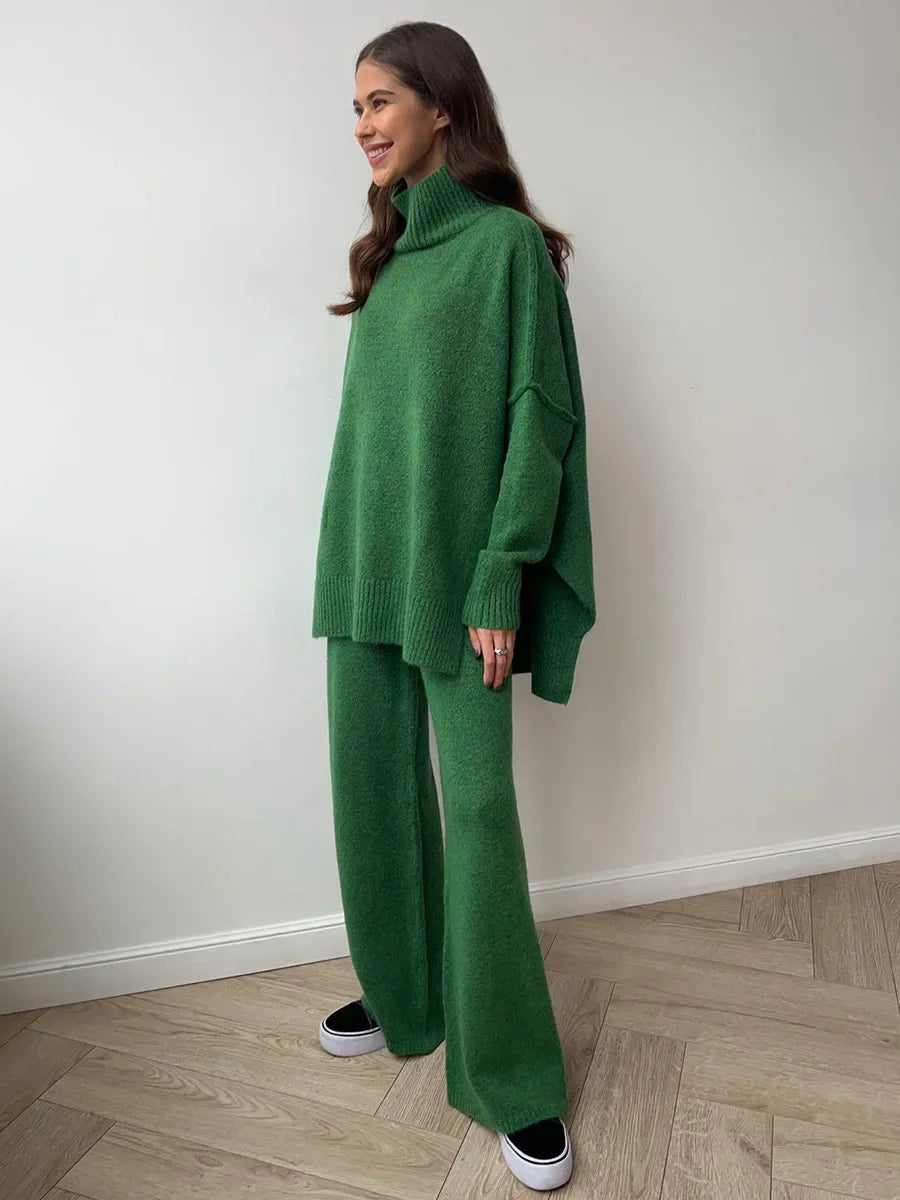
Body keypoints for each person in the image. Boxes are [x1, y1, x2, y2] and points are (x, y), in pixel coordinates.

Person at [311, 20, 596, 1193]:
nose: (366, 125)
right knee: (373, 796)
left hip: (459, 584)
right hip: (363, 569)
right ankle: (405, 994)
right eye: (357, 109)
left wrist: (500, 573)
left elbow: (541, 419)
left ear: (442, 106)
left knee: (475, 815)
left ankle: (513, 1077)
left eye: (382, 101)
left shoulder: (506, 249)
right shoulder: (386, 260)